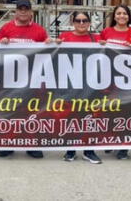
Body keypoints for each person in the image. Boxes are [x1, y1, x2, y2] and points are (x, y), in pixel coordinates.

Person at [0, 0, 51, 159]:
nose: (23, 12)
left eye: (26, 9)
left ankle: (32, 144)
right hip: (10, 79)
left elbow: (47, 53)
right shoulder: (6, 28)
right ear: (16, 11)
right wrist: (0, 42)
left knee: (32, 112)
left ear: (31, 12)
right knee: (9, 111)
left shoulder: (39, 31)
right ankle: (7, 143)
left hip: (31, 79)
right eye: (20, 9)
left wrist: (48, 43)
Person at [57, 12, 102, 164]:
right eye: (78, 20)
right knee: (72, 116)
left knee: (89, 117)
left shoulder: (97, 38)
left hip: (91, 86)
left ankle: (89, 151)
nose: (81, 23)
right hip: (71, 85)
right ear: (73, 22)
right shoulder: (65, 37)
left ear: (89, 23)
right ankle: (71, 150)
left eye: (84, 20)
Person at [99, 4, 131, 160]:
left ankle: (124, 146)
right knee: (109, 111)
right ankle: (111, 140)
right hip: (108, 78)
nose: (122, 16)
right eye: (118, 13)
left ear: (129, 16)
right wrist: (100, 44)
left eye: (124, 13)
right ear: (114, 16)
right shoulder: (106, 32)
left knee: (125, 111)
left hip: (127, 81)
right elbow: (95, 49)